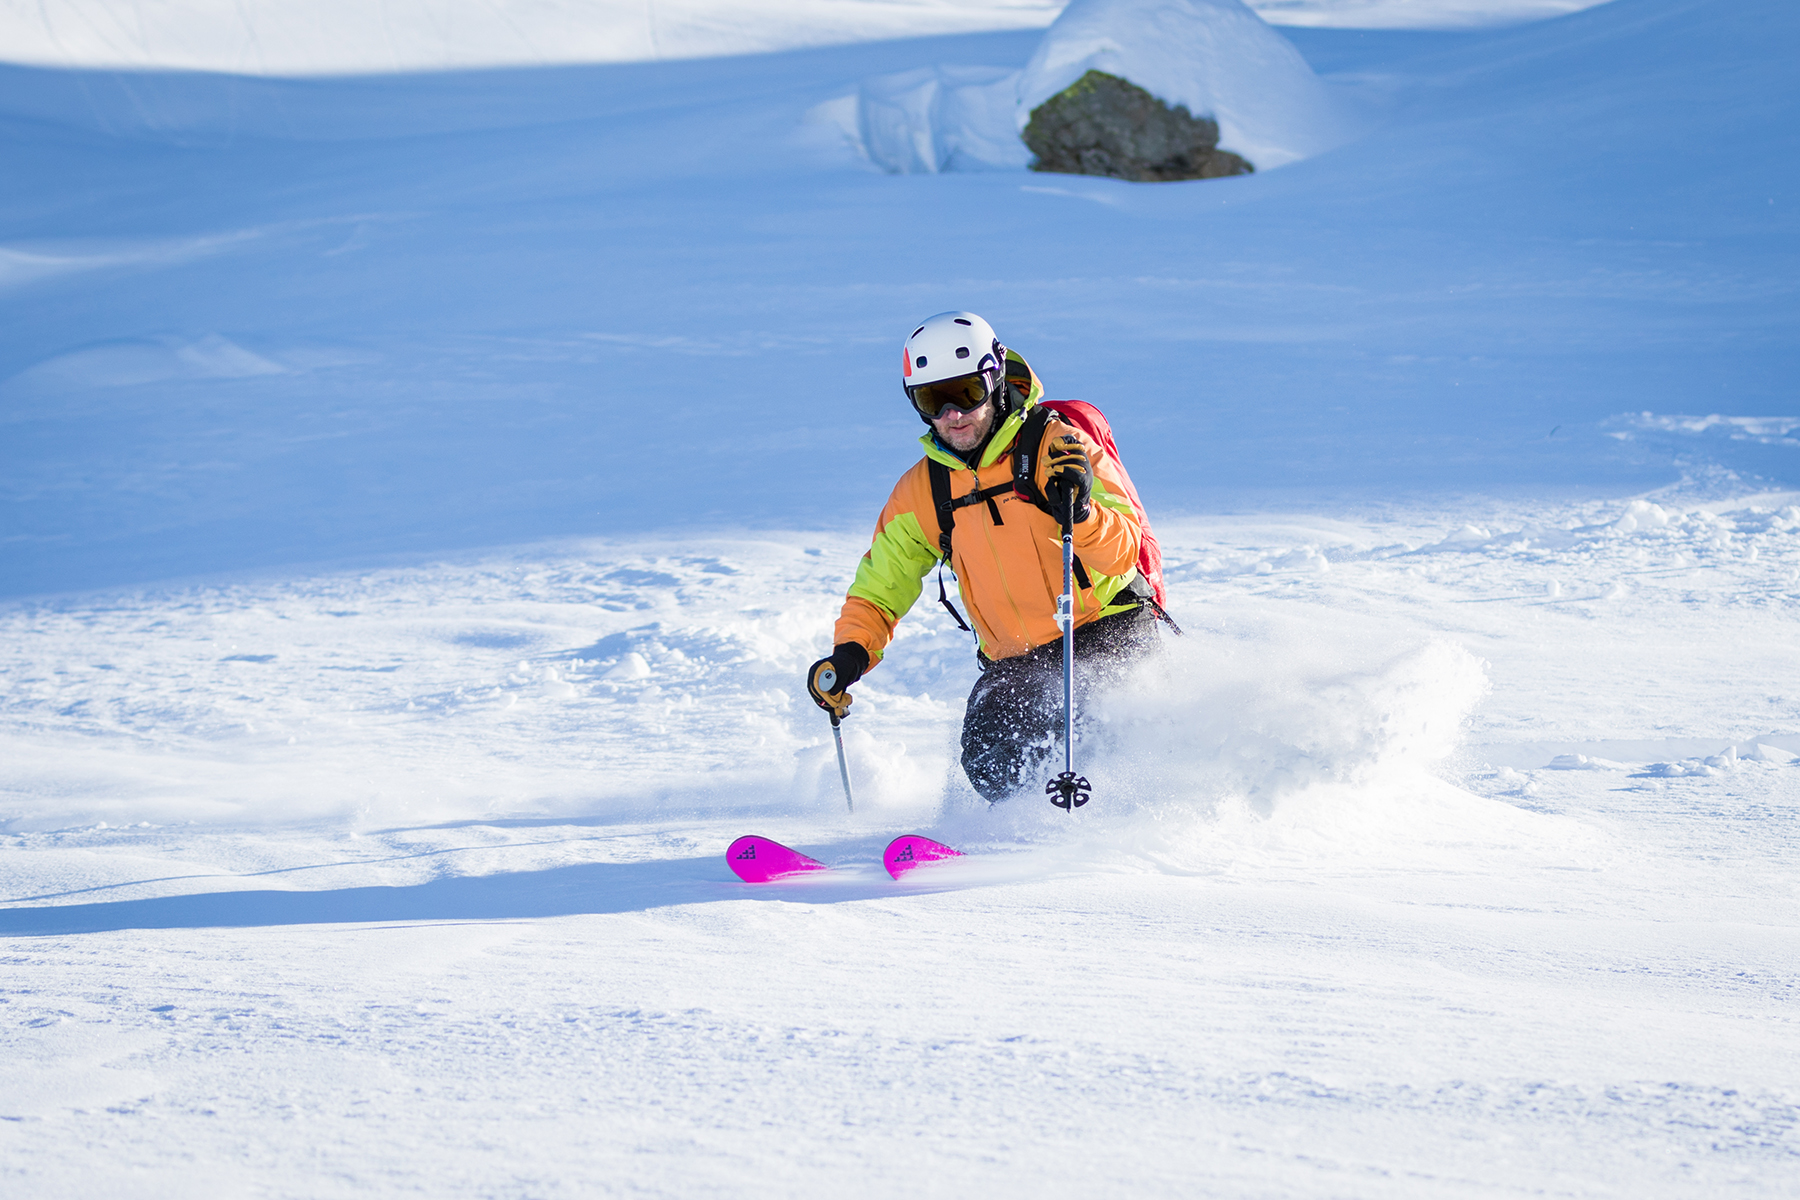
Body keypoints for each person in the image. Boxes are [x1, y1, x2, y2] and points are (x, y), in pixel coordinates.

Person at [805, 311, 1162, 802]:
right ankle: (1020, 842)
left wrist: (1079, 511)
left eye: (967, 393)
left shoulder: (1057, 447)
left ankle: (1116, 834)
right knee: (989, 751)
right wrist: (851, 652)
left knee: (1096, 730)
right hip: (1018, 656)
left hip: (1106, 627)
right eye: (935, 400)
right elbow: (881, 585)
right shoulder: (924, 490)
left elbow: (1126, 552)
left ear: (994, 380)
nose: (954, 414)